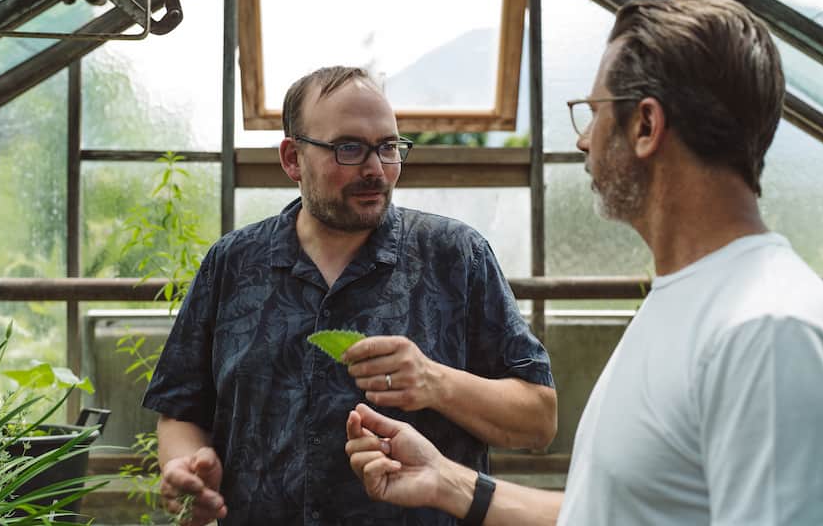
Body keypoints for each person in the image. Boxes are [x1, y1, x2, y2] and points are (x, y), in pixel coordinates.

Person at [346, 0, 823, 525]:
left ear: (646, 126)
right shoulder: (693, 298)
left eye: (594, 112)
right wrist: (450, 481)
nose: (581, 140)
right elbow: (615, 512)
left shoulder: (767, 332)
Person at [142, 65, 557, 525]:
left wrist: (435, 382)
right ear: (292, 159)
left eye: (388, 147)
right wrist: (187, 469)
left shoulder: (456, 258)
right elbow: (181, 410)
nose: (376, 169)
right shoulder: (233, 264)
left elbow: (538, 420)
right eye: (349, 148)